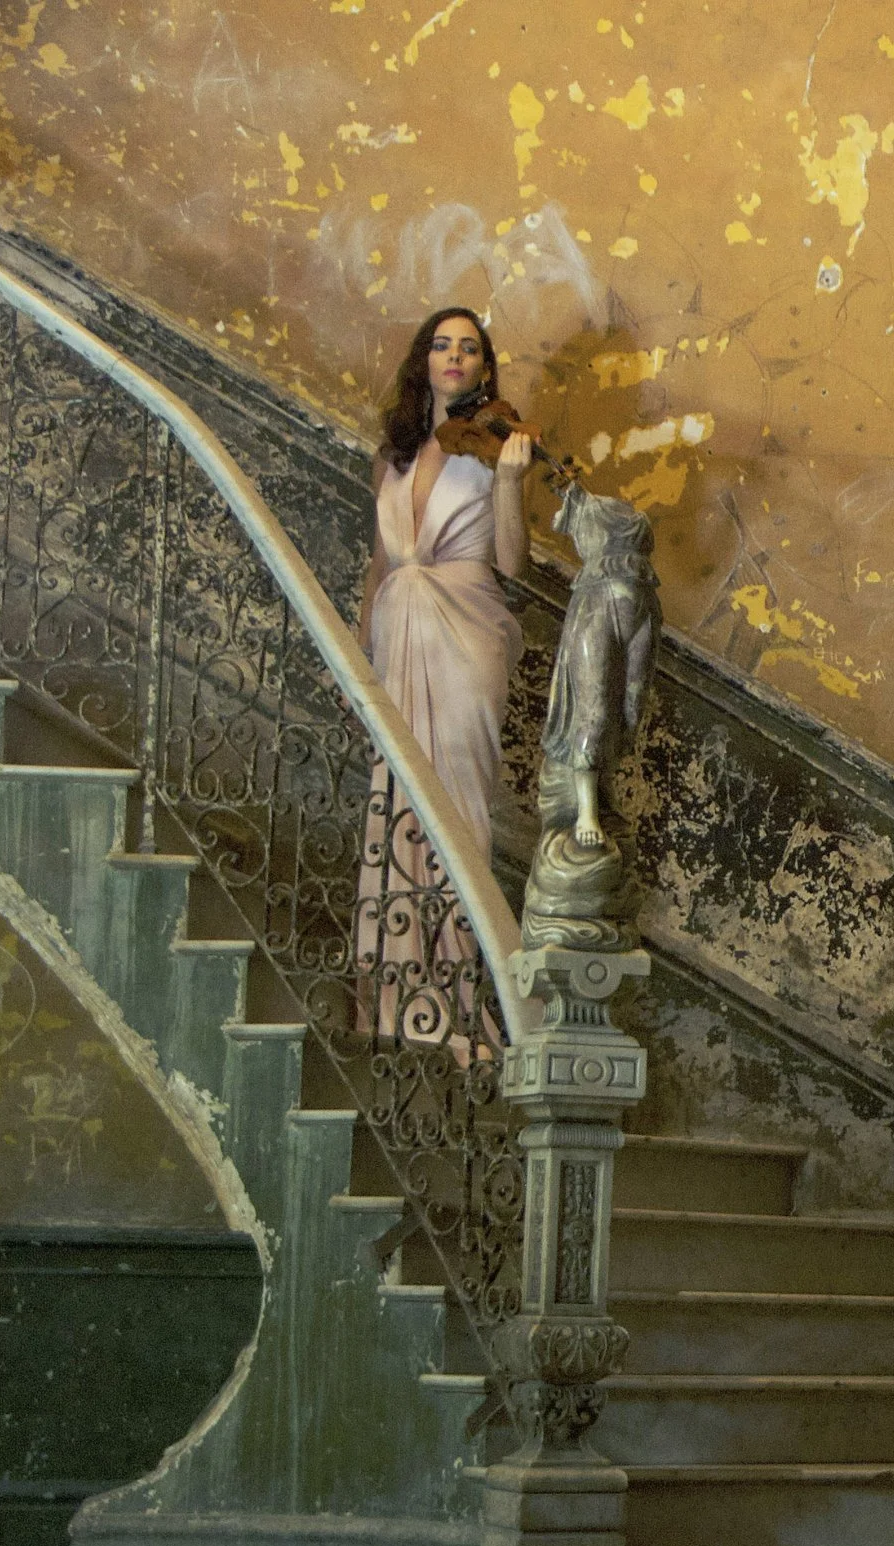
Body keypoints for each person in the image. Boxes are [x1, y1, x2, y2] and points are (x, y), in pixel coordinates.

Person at [353, 307, 531, 1045]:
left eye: (469, 347)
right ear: (422, 361)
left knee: (457, 814)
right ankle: (392, 1001)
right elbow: (378, 567)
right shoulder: (392, 454)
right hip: (397, 634)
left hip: (468, 636)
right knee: (393, 808)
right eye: (441, 344)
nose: (454, 356)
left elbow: (514, 566)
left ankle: (456, 1003)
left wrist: (515, 483)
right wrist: (356, 658)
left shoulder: (499, 446)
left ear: (484, 368)